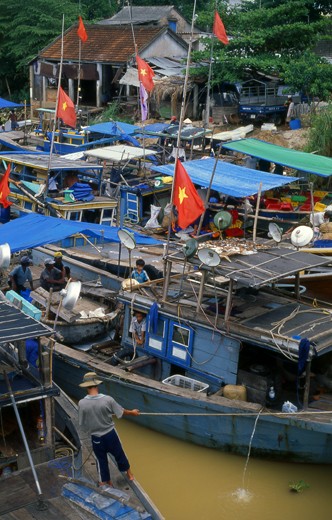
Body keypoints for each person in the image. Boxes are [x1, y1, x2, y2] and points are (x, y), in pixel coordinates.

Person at [78, 372, 140, 486]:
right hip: (110, 434)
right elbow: (121, 412)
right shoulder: (108, 400)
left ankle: (105, 482)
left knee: (101, 460)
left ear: (86, 386)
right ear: (97, 385)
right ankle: (130, 474)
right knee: (120, 454)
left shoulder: (82, 403)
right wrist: (132, 412)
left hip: (96, 437)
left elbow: (82, 424)